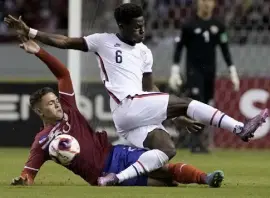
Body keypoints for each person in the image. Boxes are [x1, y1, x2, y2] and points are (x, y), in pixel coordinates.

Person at [4, 3, 268, 186]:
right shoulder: (103, 41)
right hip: (126, 106)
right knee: (187, 102)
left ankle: (114, 179)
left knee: (167, 150)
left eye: (143, 25)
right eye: (136, 27)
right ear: (122, 25)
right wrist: (31, 32)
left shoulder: (145, 52)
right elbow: (64, 41)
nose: (141, 30)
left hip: (137, 114)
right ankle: (240, 129)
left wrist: (176, 117)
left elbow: (150, 90)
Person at [11, 38, 224, 188]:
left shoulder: (68, 107)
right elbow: (29, 173)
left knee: (163, 167)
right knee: (166, 182)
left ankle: (206, 178)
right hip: (101, 176)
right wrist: (24, 180)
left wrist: (39, 51)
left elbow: (63, 74)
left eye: (55, 100)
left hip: (115, 154)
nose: (56, 105)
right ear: (39, 111)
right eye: (50, 104)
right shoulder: (43, 141)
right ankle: (195, 178)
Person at [169, 0, 240, 153]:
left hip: (210, 71)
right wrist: (174, 70)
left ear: (214, 4)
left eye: (209, 1)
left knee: (207, 104)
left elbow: (225, 49)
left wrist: (232, 71)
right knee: (197, 102)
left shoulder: (218, 26)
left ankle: (200, 141)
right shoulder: (189, 25)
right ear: (198, 3)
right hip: (194, 70)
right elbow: (179, 48)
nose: (206, 4)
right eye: (203, 1)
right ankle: (195, 143)